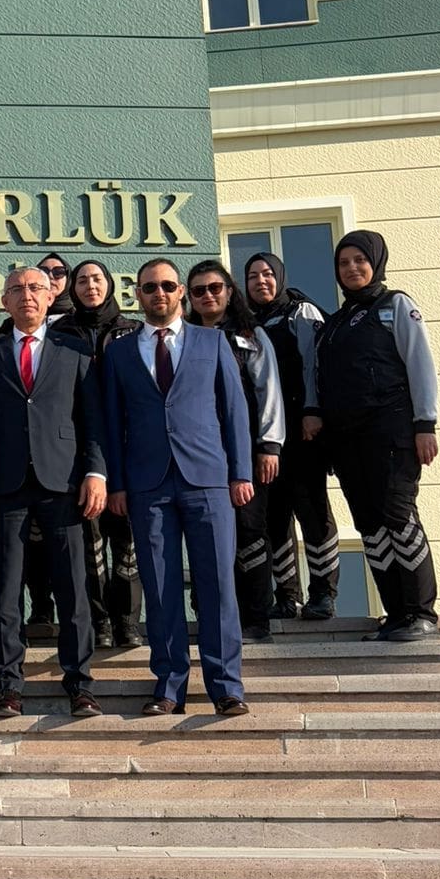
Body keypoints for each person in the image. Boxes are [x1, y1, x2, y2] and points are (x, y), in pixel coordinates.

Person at [104, 257, 254, 718]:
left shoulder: (213, 341)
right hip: (148, 484)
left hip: (207, 479)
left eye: (168, 286)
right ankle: (169, 686)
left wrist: (241, 472)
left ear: (181, 293)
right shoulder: (119, 352)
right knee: (160, 587)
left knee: (217, 585)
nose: (160, 294)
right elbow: (112, 424)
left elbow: (235, 410)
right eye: (150, 287)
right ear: (138, 295)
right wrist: (117, 483)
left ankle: (226, 686)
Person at [0, 264, 106, 720]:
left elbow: (91, 420)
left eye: (35, 288)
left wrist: (96, 472)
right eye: (17, 289)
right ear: (4, 301)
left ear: (49, 297)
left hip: (63, 484)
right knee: (6, 591)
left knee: (72, 590)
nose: (26, 295)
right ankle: (8, 685)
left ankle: (80, 684)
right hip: (4, 485)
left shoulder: (75, 350)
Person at [313, 229, 440, 643]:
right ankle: (397, 614)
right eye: (343, 263)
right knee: (370, 526)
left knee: (398, 516)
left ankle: (421, 612)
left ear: (376, 262)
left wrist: (425, 424)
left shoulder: (396, 305)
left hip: (393, 432)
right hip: (348, 442)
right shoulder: (335, 324)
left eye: (359, 260)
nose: (352, 268)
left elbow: (420, 364)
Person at [185, 259, 285, 644]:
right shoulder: (183, 337)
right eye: (199, 290)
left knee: (249, 531)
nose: (208, 296)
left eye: (215, 288)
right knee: (206, 536)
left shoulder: (249, 334)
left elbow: (268, 391)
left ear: (229, 291)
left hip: (248, 452)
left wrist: (269, 445)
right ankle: (210, 616)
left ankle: (256, 619)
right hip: (200, 455)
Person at [244, 251, 339, 620]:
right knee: (276, 517)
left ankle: (324, 593)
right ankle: (287, 595)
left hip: (303, 431)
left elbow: (314, 365)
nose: (261, 281)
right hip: (267, 438)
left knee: (312, 511)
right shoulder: (248, 323)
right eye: (253, 276)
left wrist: (313, 411)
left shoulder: (301, 312)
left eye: (268, 274)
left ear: (280, 277)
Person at [65, 259, 143, 650]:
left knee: (127, 538)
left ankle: (127, 620)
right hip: (79, 451)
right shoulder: (61, 333)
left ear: (110, 284)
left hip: (128, 447)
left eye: (97, 279)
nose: (90, 286)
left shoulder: (133, 330)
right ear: (73, 289)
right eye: (82, 280)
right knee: (90, 540)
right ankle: (100, 621)